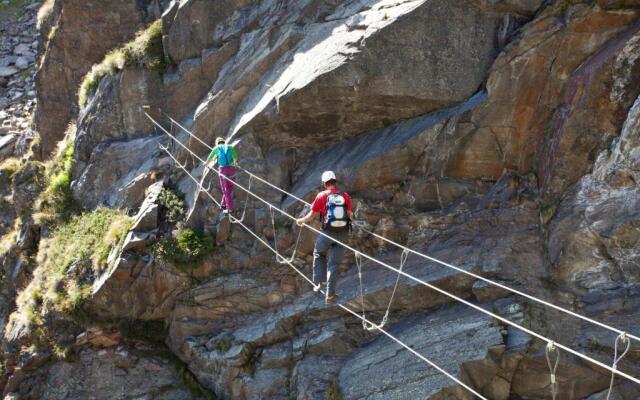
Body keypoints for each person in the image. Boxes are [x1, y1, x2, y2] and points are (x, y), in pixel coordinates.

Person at [296, 171, 353, 303]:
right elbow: (350, 216)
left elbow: (311, 216)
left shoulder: (322, 195)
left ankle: (319, 282)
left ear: (324, 183)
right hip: (343, 234)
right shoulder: (345, 196)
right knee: (334, 264)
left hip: (328, 233)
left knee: (319, 253)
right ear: (335, 181)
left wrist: (300, 221)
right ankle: (330, 295)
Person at [207, 137, 238, 213]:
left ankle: (230, 208)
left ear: (217, 143)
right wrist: (235, 164)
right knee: (230, 187)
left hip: (223, 170)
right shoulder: (230, 147)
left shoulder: (216, 148)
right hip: (232, 170)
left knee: (225, 190)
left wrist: (206, 163)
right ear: (224, 142)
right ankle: (223, 204)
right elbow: (235, 157)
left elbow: (210, 157)